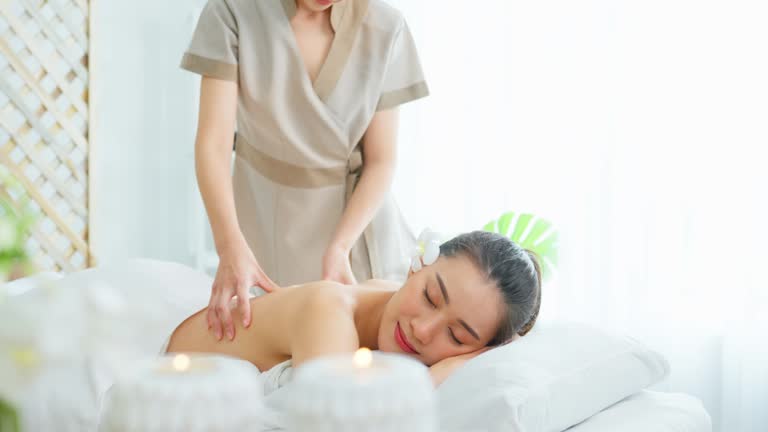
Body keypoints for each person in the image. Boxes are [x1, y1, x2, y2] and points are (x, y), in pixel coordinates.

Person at [182, 0, 429, 343]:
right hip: (266, 219)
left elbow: (382, 160)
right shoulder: (233, 11)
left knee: (367, 365)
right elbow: (213, 144)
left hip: (357, 232)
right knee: (278, 354)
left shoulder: (386, 27)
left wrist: (340, 247)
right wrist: (228, 245)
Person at [166, 231, 542, 386]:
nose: (423, 330)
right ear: (417, 264)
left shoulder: (386, 307)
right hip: (167, 382)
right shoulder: (329, 312)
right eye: (429, 297)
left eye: (457, 336)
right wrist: (437, 376)